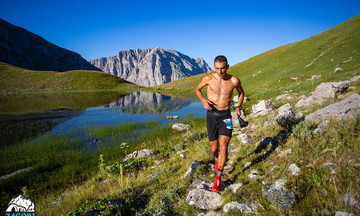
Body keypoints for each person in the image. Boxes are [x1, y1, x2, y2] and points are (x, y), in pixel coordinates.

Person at [195, 55, 245, 192]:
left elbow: (241, 94)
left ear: (227, 67)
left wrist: (239, 107)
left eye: (223, 68)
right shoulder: (208, 79)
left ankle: (218, 177)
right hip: (211, 116)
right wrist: (204, 101)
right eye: (217, 69)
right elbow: (197, 90)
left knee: (224, 146)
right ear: (214, 67)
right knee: (214, 148)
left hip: (225, 116)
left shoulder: (234, 80)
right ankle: (217, 159)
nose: (220, 72)